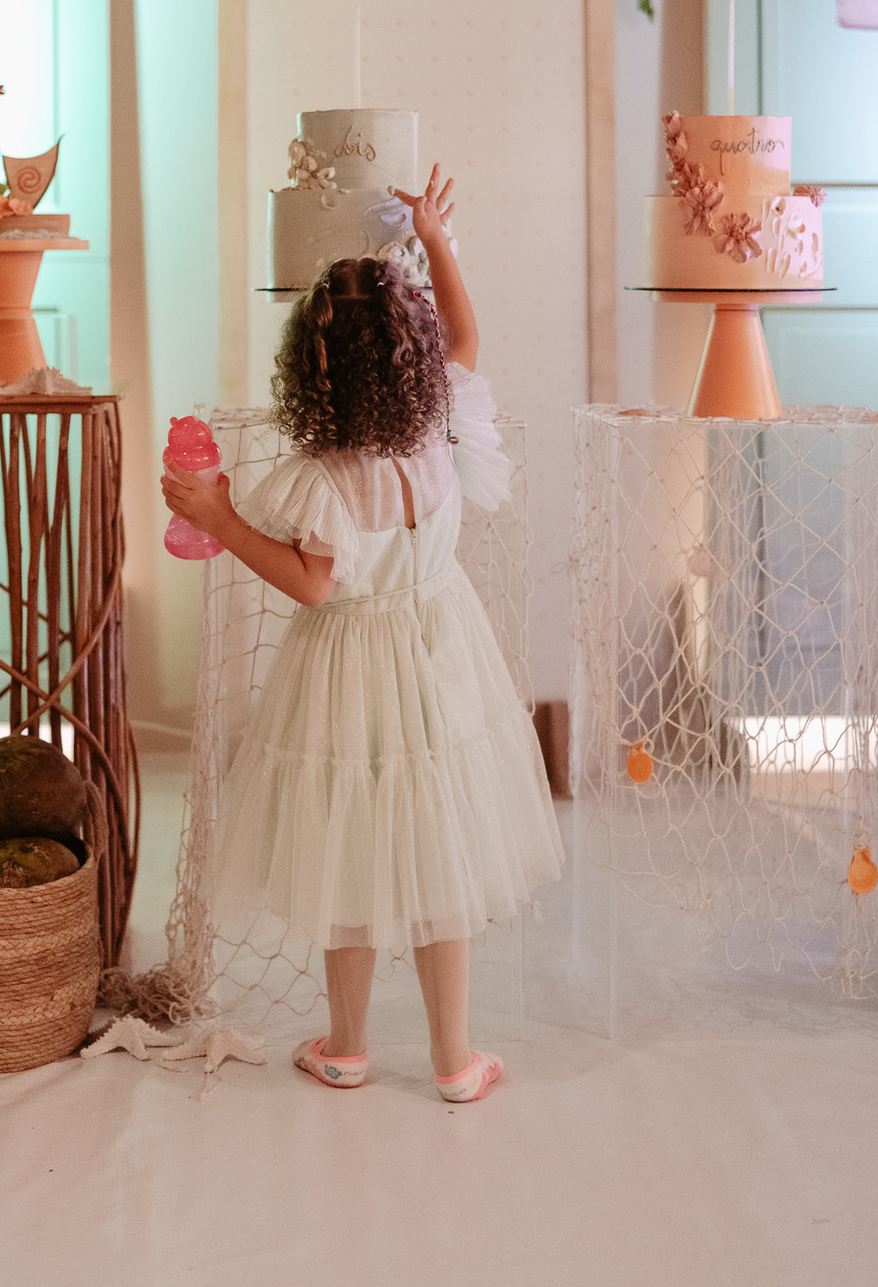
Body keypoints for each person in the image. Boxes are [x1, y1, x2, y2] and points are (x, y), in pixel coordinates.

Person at [161, 166, 563, 1103]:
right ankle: (455, 1060)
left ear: (311, 372)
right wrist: (435, 240)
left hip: (348, 668)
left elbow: (313, 585)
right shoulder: (443, 419)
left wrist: (220, 520)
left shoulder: (324, 475)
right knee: (437, 852)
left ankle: (345, 1047)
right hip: (440, 648)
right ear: (414, 354)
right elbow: (467, 335)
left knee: (347, 850)